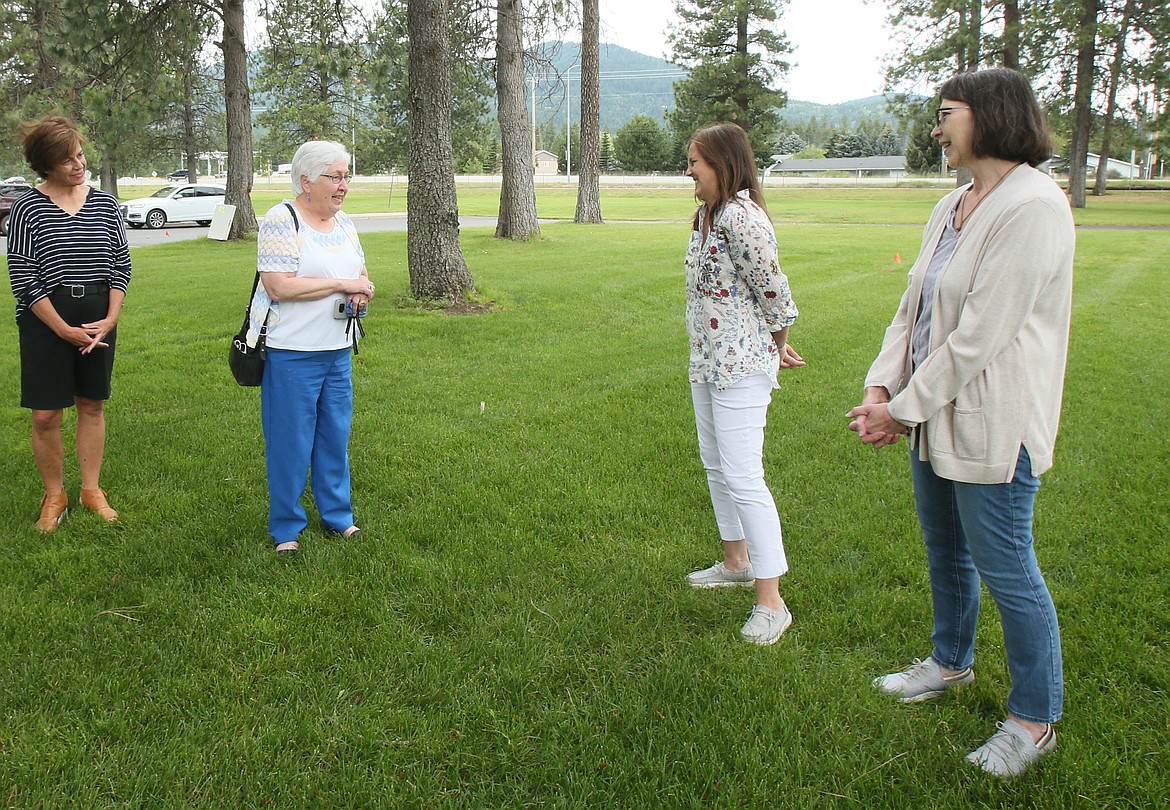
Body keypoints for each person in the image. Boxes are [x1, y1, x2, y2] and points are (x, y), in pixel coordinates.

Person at [846, 69, 1074, 778]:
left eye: (947, 115)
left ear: (991, 117)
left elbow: (979, 337)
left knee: (1009, 572)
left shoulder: (1033, 207)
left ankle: (1033, 722)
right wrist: (882, 383)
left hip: (994, 427)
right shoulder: (953, 204)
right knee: (946, 554)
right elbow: (913, 307)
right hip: (933, 416)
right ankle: (950, 663)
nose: (936, 129)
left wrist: (900, 410)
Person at [682, 123, 804, 645]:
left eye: (695, 162)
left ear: (723, 164)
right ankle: (735, 562)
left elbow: (772, 289)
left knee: (743, 475)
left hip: (740, 367)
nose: (688, 171)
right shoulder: (705, 216)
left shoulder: (741, 215)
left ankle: (772, 602)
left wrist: (776, 342)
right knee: (717, 467)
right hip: (708, 361)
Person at [249, 140, 375, 554]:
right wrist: (343, 285)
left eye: (346, 176)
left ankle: (338, 517)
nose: (343, 185)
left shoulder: (344, 224)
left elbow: (359, 271)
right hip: (292, 353)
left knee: (334, 438)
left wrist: (362, 290)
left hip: (337, 351)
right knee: (290, 441)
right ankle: (286, 528)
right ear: (306, 180)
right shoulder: (282, 219)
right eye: (334, 177)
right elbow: (278, 285)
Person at [6, 115, 130, 532]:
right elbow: (23, 274)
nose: (79, 165)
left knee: (91, 404)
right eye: (68, 160)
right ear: (46, 164)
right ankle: (54, 494)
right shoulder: (27, 207)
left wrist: (110, 319)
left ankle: (91, 490)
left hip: (97, 315)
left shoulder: (105, 204)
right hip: (46, 318)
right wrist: (61, 328)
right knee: (45, 415)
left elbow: (120, 266)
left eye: (80, 155)